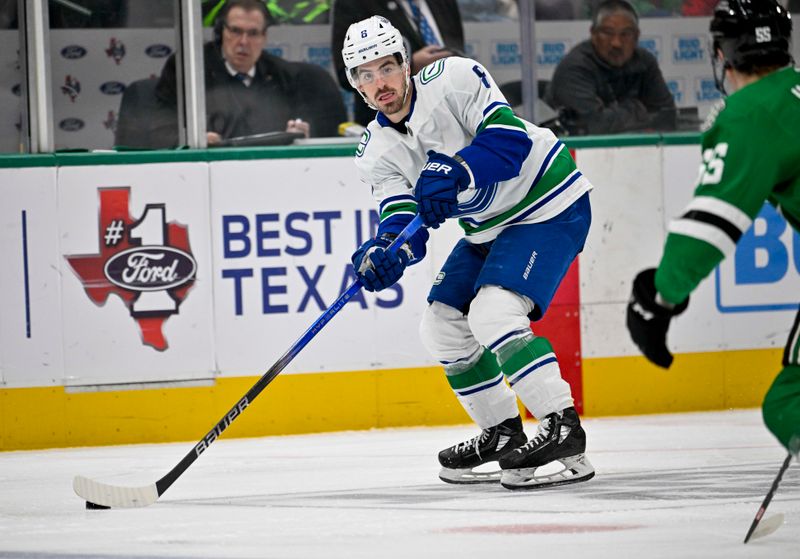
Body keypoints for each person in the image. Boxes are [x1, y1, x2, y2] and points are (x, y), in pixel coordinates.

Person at [342, 16, 596, 490]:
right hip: (489, 226)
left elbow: (509, 141)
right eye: (366, 74)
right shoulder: (375, 149)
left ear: (405, 63)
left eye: (387, 67)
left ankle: (563, 427)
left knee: (494, 312)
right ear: (354, 83)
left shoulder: (455, 78)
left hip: (549, 201)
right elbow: (402, 220)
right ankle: (501, 432)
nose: (380, 83)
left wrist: (457, 168)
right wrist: (386, 252)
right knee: (440, 325)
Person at [626, 0, 800, 457]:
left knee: (790, 402)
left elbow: (712, 224)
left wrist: (658, 297)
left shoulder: (749, 113)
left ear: (722, 53)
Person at [155, 0, 345, 144]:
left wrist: (296, 135)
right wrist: (193, 140)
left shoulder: (283, 76)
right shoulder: (189, 69)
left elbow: (309, 130)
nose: (244, 42)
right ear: (222, 32)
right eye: (236, 31)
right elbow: (160, 130)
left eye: (253, 33)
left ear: (264, 37)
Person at [546, 0, 676, 135]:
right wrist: (637, 109)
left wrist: (613, 115)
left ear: (636, 37)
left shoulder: (644, 62)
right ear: (594, 34)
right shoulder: (575, 67)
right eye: (608, 33)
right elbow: (593, 125)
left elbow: (667, 116)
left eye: (625, 34)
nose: (616, 43)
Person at [331, 0, 465, 126]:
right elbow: (345, 72)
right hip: (393, 126)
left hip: (452, 114)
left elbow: (458, 48)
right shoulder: (354, 3)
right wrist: (410, 65)